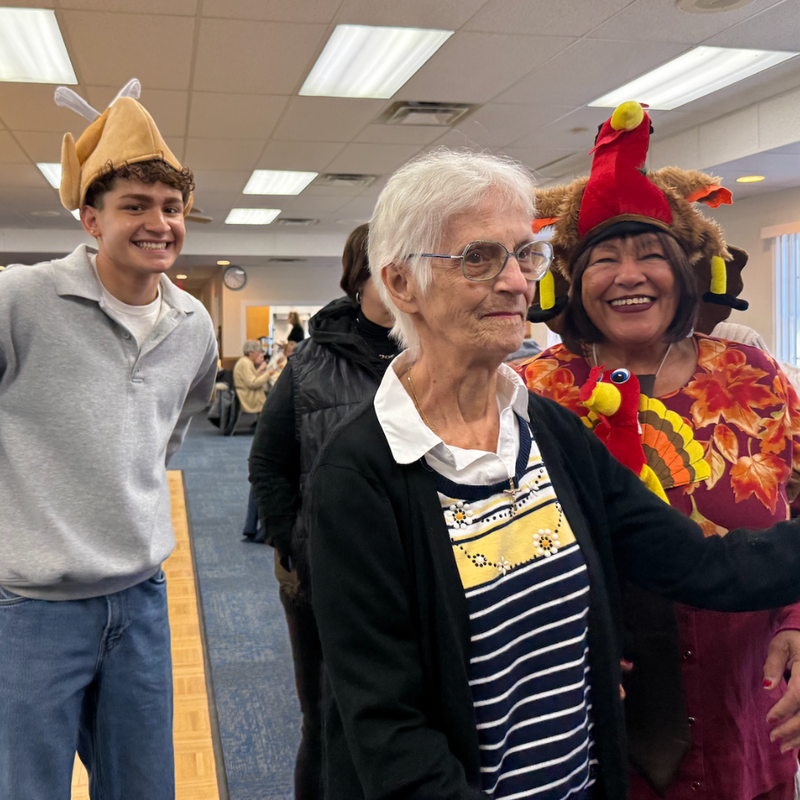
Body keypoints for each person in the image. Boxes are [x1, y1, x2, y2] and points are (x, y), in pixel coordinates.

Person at [304, 147, 800, 800]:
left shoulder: (549, 431)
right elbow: (391, 733)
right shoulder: (361, 473)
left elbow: (704, 565)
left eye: (523, 255)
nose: (515, 281)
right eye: (479, 258)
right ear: (401, 284)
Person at [516, 102, 800, 799]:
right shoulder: (531, 395)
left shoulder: (753, 376)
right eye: (604, 259)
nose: (629, 274)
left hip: (749, 717)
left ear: (686, 271)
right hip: (591, 728)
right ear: (572, 281)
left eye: (651, 254)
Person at [0, 80, 217, 800]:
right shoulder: (20, 299)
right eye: (135, 205)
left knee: (145, 787)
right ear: (91, 219)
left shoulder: (193, 325)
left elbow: (167, 434)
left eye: (171, 206)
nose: (159, 223)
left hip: (141, 599)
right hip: (29, 608)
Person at [248, 223, 398, 799]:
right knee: (326, 719)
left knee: (401, 716)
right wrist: (296, 545)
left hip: (408, 571)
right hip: (322, 574)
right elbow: (268, 463)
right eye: (389, 269)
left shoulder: (434, 352)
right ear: (360, 277)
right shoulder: (310, 362)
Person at [234, 339, 272, 414]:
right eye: (257, 352)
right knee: (271, 397)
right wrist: (268, 374)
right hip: (248, 395)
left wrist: (264, 373)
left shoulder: (245, 361)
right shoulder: (245, 363)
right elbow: (252, 383)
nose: (258, 354)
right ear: (250, 352)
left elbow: (252, 377)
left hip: (247, 393)